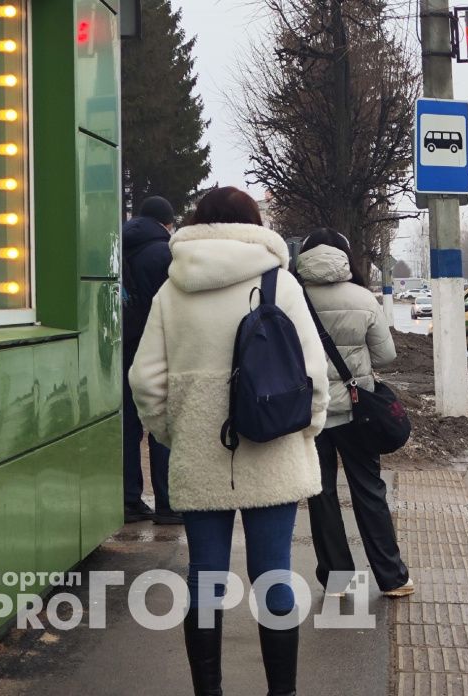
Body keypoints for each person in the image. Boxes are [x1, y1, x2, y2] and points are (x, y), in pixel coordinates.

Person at [129, 187, 329, 696]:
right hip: (273, 449)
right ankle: (281, 692)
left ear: (197, 222)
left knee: (204, 578)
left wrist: (175, 431)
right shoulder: (279, 283)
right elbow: (313, 375)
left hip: (198, 452)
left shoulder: (173, 289)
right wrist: (306, 430)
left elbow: (145, 379)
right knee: (274, 576)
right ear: (254, 223)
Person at [295, 229, 414, 598]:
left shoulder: (290, 297)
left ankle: (337, 580)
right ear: (345, 256)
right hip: (356, 411)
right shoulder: (363, 298)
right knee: (368, 491)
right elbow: (386, 356)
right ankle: (392, 578)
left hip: (308, 414)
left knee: (322, 494)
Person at [121, 196, 181, 525]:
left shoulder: (117, 246)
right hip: (159, 347)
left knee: (127, 425)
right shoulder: (166, 253)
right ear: (167, 223)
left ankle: (129, 500)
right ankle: (168, 503)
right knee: (161, 421)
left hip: (121, 346)